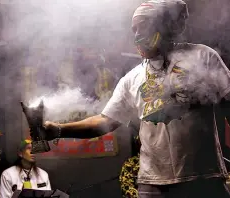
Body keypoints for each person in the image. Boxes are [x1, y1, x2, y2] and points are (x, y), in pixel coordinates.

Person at [41, 0, 230, 197]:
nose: (138, 35)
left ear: (164, 26)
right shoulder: (132, 79)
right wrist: (58, 130)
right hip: (153, 185)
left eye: (144, 26)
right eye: (135, 30)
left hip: (203, 179)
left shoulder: (202, 56)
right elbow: (104, 121)